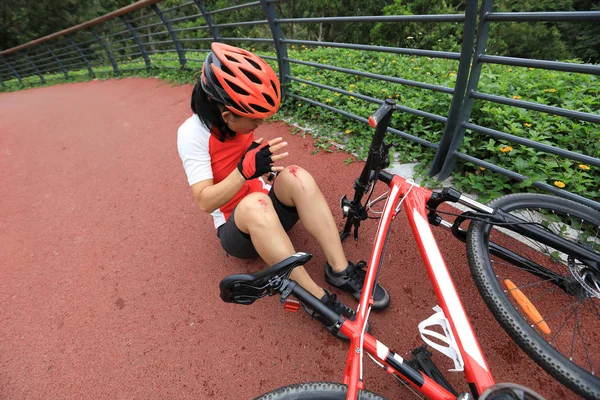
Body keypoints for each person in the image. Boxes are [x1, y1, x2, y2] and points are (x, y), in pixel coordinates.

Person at [177, 43, 390, 339]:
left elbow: (244, 156)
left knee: (296, 175)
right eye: (254, 118)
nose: (260, 123)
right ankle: (315, 300)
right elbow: (204, 200)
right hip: (237, 230)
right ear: (226, 115)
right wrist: (243, 171)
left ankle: (340, 270)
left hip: (264, 205)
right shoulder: (191, 134)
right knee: (254, 203)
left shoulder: (237, 116)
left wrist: (261, 166)